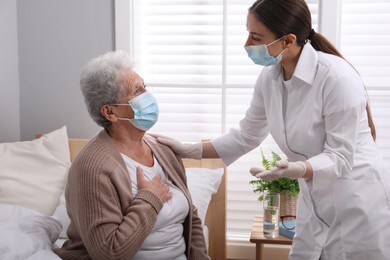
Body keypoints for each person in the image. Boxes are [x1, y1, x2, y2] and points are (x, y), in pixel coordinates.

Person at [154, 0, 390, 259]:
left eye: (255, 37)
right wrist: (192, 150)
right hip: (315, 198)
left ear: (288, 40)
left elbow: (341, 158)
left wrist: (297, 168)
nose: (247, 44)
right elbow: (247, 135)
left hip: (357, 198)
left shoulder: (336, 79)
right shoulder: (270, 78)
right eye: (248, 33)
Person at [53, 51, 210, 260]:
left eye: (144, 86)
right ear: (110, 112)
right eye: (137, 91)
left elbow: (192, 217)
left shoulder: (163, 149)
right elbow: (109, 253)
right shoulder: (91, 168)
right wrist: (151, 198)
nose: (148, 96)